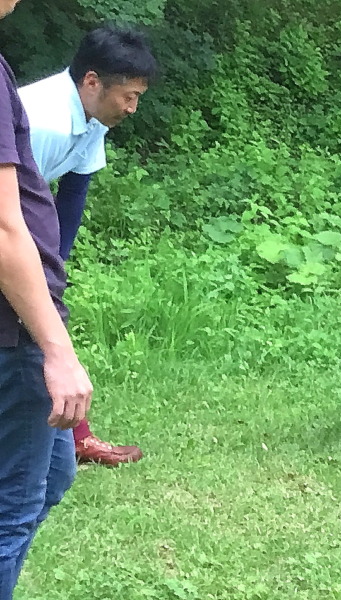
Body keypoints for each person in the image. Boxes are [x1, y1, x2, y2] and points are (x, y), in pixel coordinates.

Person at [18, 25, 157, 466]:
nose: (133, 108)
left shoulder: (92, 117)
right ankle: (72, 436)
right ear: (92, 81)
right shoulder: (43, 123)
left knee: (42, 329)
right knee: (33, 337)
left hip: (20, 228)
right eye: (128, 96)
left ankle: (74, 436)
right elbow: (11, 208)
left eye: (138, 97)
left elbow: (73, 192)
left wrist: (55, 267)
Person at [0, 0, 94, 596]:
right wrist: (56, 349)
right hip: (14, 330)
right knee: (11, 510)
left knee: (55, 472)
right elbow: (5, 228)